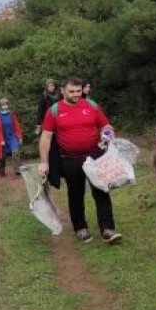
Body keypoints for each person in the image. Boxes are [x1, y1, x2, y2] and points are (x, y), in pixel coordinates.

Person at [38, 77, 120, 244]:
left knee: (102, 191)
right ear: (62, 91)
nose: (76, 94)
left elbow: (106, 126)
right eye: (72, 92)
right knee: (75, 194)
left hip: (95, 156)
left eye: (78, 91)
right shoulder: (54, 110)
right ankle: (80, 228)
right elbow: (46, 137)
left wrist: (107, 134)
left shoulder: (91, 105)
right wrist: (44, 162)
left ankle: (107, 229)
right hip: (69, 159)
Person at [0, 98, 23, 178]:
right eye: (3, 105)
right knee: (2, 156)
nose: (5, 106)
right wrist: (0, 140)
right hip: (2, 138)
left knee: (15, 152)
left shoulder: (11, 115)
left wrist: (19, 136)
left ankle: (17, 169)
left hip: (12, 137)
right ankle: (1, 172)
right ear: (0, 106)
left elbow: (17, 126)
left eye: (6, 104)